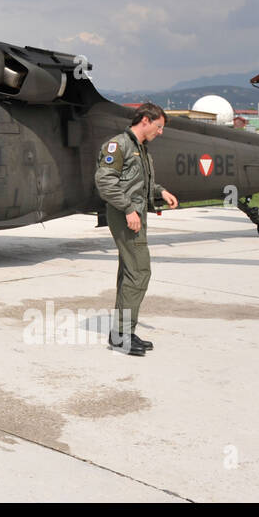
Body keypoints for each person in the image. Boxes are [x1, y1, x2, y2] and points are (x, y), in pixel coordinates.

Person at [94, 103, 179, 356]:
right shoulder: (118, 145)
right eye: (159, 126)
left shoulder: (140, 149)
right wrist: (129, 209)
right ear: (145, 120)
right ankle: (122, 335)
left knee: (130, 271)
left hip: (133, 215)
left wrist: (160, 191)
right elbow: (105, 181)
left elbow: (138, 183)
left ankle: (122, 333)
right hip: (125, 216)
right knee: (139, 271)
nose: (160, 132)